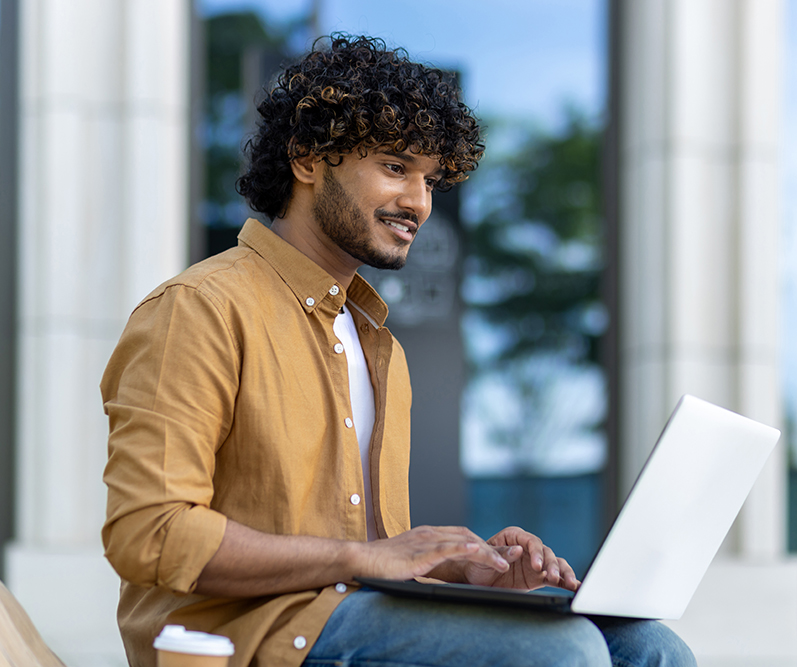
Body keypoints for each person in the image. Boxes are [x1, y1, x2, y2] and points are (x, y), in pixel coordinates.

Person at [100, 34, 696, 667]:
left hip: (355, 620)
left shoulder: (376, 345)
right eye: (394, 167)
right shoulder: (201, 307)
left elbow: (379, 562)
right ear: (307, 161)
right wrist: (362, 558)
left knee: (650, 648)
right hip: (248, 642)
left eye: (431, 180)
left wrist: (469, 574)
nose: (419, 203)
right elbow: (149, 531)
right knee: (560, 651)